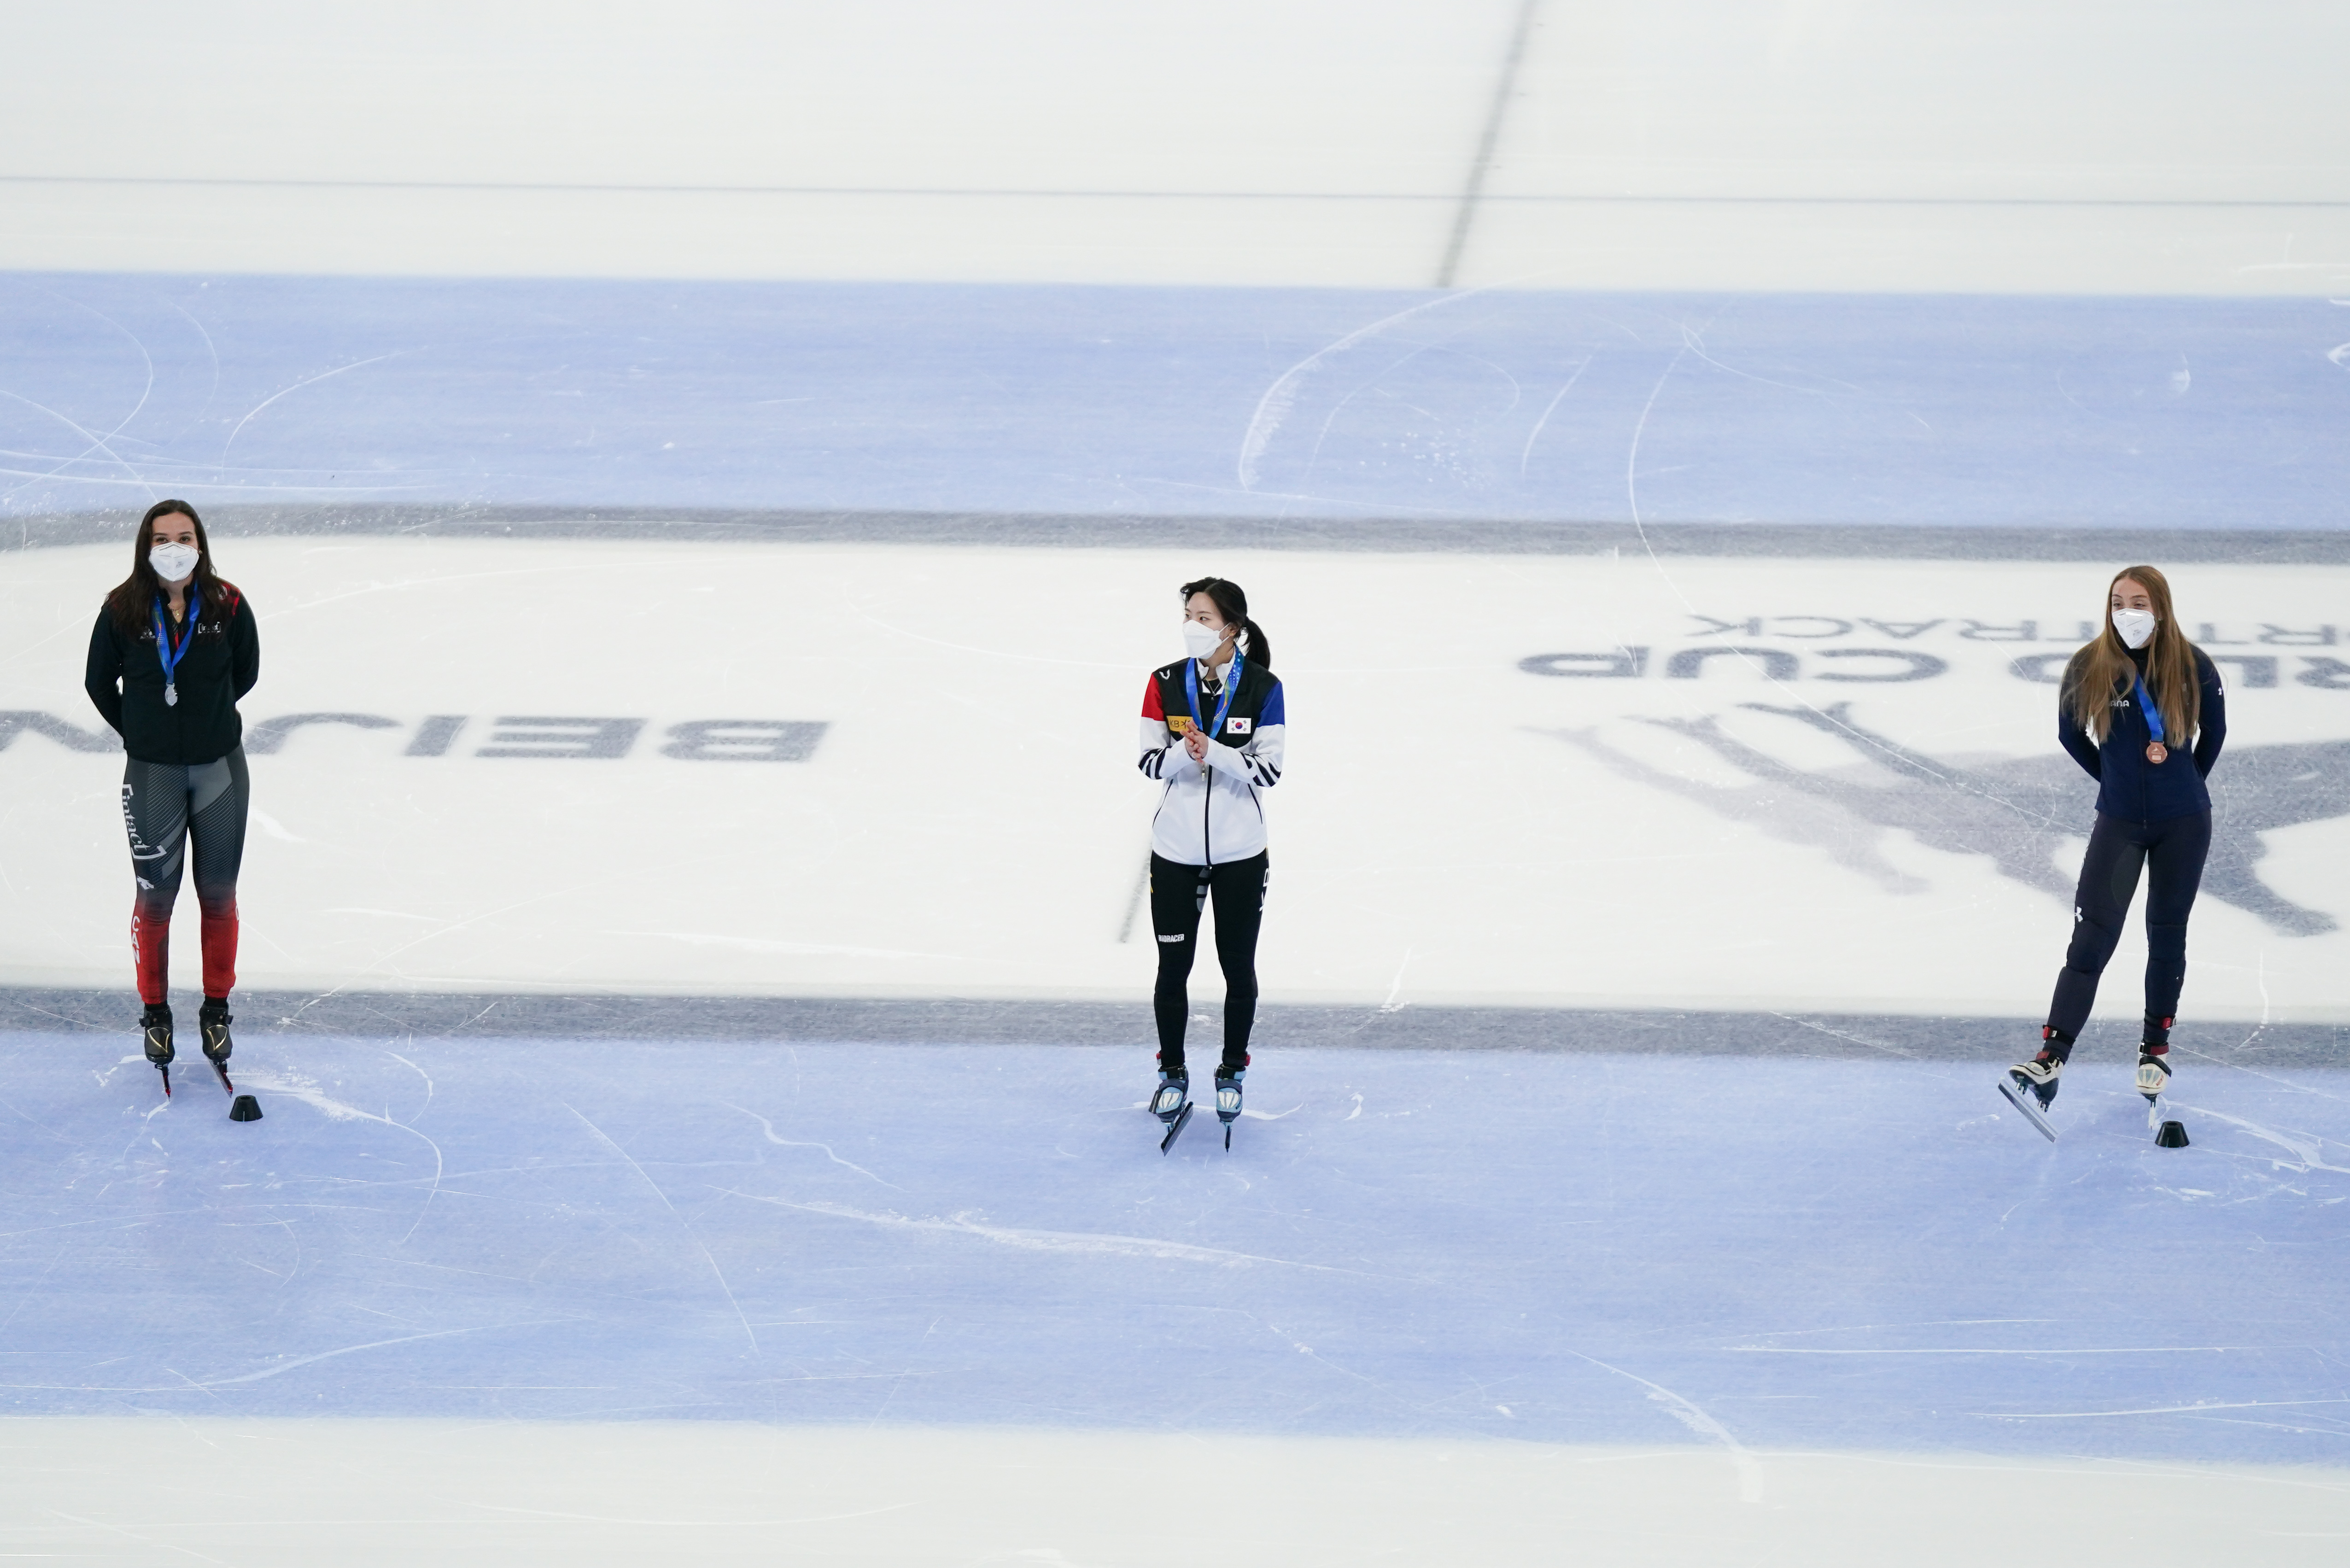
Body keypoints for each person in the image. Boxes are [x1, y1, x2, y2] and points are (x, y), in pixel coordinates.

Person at [2008, 565, 2225, 1121]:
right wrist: (2115, 782)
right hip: (2120, 823)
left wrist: (2182, 788)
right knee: (2091, 937)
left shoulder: (2192, 664)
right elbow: (2068, 733)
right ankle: (2050, 1056)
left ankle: (2154, 1049)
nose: (2126, 612)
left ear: (2160, 607)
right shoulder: (2089, 664)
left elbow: (2214, 734)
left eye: (2137, 602)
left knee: (2165, 933)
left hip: (2184, 824)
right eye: (2117, 602)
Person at [83, 500, 260, 1092]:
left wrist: (206, 721)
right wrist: (142, 731)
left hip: (219, 772)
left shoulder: (229, 603)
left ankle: (216, 1010)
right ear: (146, 546)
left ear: (201, 544)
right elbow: (96, 681)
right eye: (163, 538)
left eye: (184, 536)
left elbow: (247, 672)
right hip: (153, 774)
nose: (174, 546)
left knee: (218, 894)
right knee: (155, 900)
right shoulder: (121, 608)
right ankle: (155, 1013)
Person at [1135, 577, 1286, 1137]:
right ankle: (1171, 1070)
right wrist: (1183, 752)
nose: (1190, 625)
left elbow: (1269, 769)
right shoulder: (1163, 682)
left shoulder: (1264, 687)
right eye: (1187, 615)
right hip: (1173, 850)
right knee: (1172, 968)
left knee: (1236, 966)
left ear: (1231, 628)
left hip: (1240, 852)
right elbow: (1150, 763)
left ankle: (1232, 1067)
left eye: (1202, 617)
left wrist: (1215, 750)